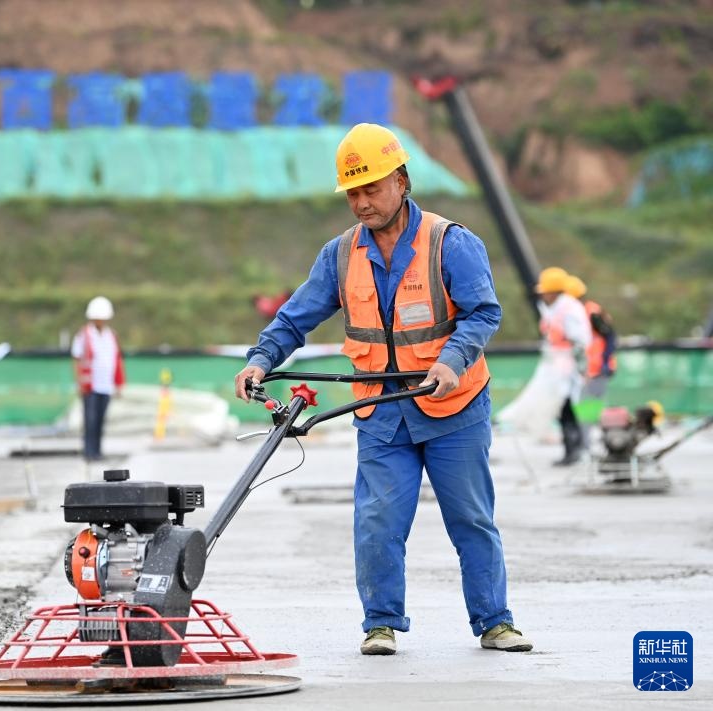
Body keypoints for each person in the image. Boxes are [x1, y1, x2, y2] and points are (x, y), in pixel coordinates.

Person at [233, 123, 532, 656]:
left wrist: (451, 360)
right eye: (353, 192)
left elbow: (484, 312)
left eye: (371, 188)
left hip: (453, 407)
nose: (361, 202)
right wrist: (261, 360)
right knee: (377, 521)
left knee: (470, 519)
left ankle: (495, 621)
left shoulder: (450, 242)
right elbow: (296, 317)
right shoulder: (341, 255)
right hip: (381, 413)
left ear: (401, 181)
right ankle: (381, 623)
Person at [536, 268, 592, 466]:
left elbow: (579, 342)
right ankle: (573, 449)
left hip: (570, 369)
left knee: (571, 409)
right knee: (564, 409)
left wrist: (582, 368)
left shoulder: (569, 309)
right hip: (559, 368)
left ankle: (576, 449)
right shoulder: (555, 309)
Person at [71, 296, 124, 461]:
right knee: (90, 420)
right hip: (90, 385)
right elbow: (77, 358)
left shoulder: (111, 336)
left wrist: (118, 383)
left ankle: (98, 452)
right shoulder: (84, 335)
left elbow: (116, 360)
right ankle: (89, 451)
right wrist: (79, 381)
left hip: (106, 385)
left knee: (101, 420)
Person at [564, 275, 617, 402]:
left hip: (597, 368)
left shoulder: (591, 313)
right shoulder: (569, 313)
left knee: (590, 405)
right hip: (581, 368)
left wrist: (605, 360)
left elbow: (610, 336)